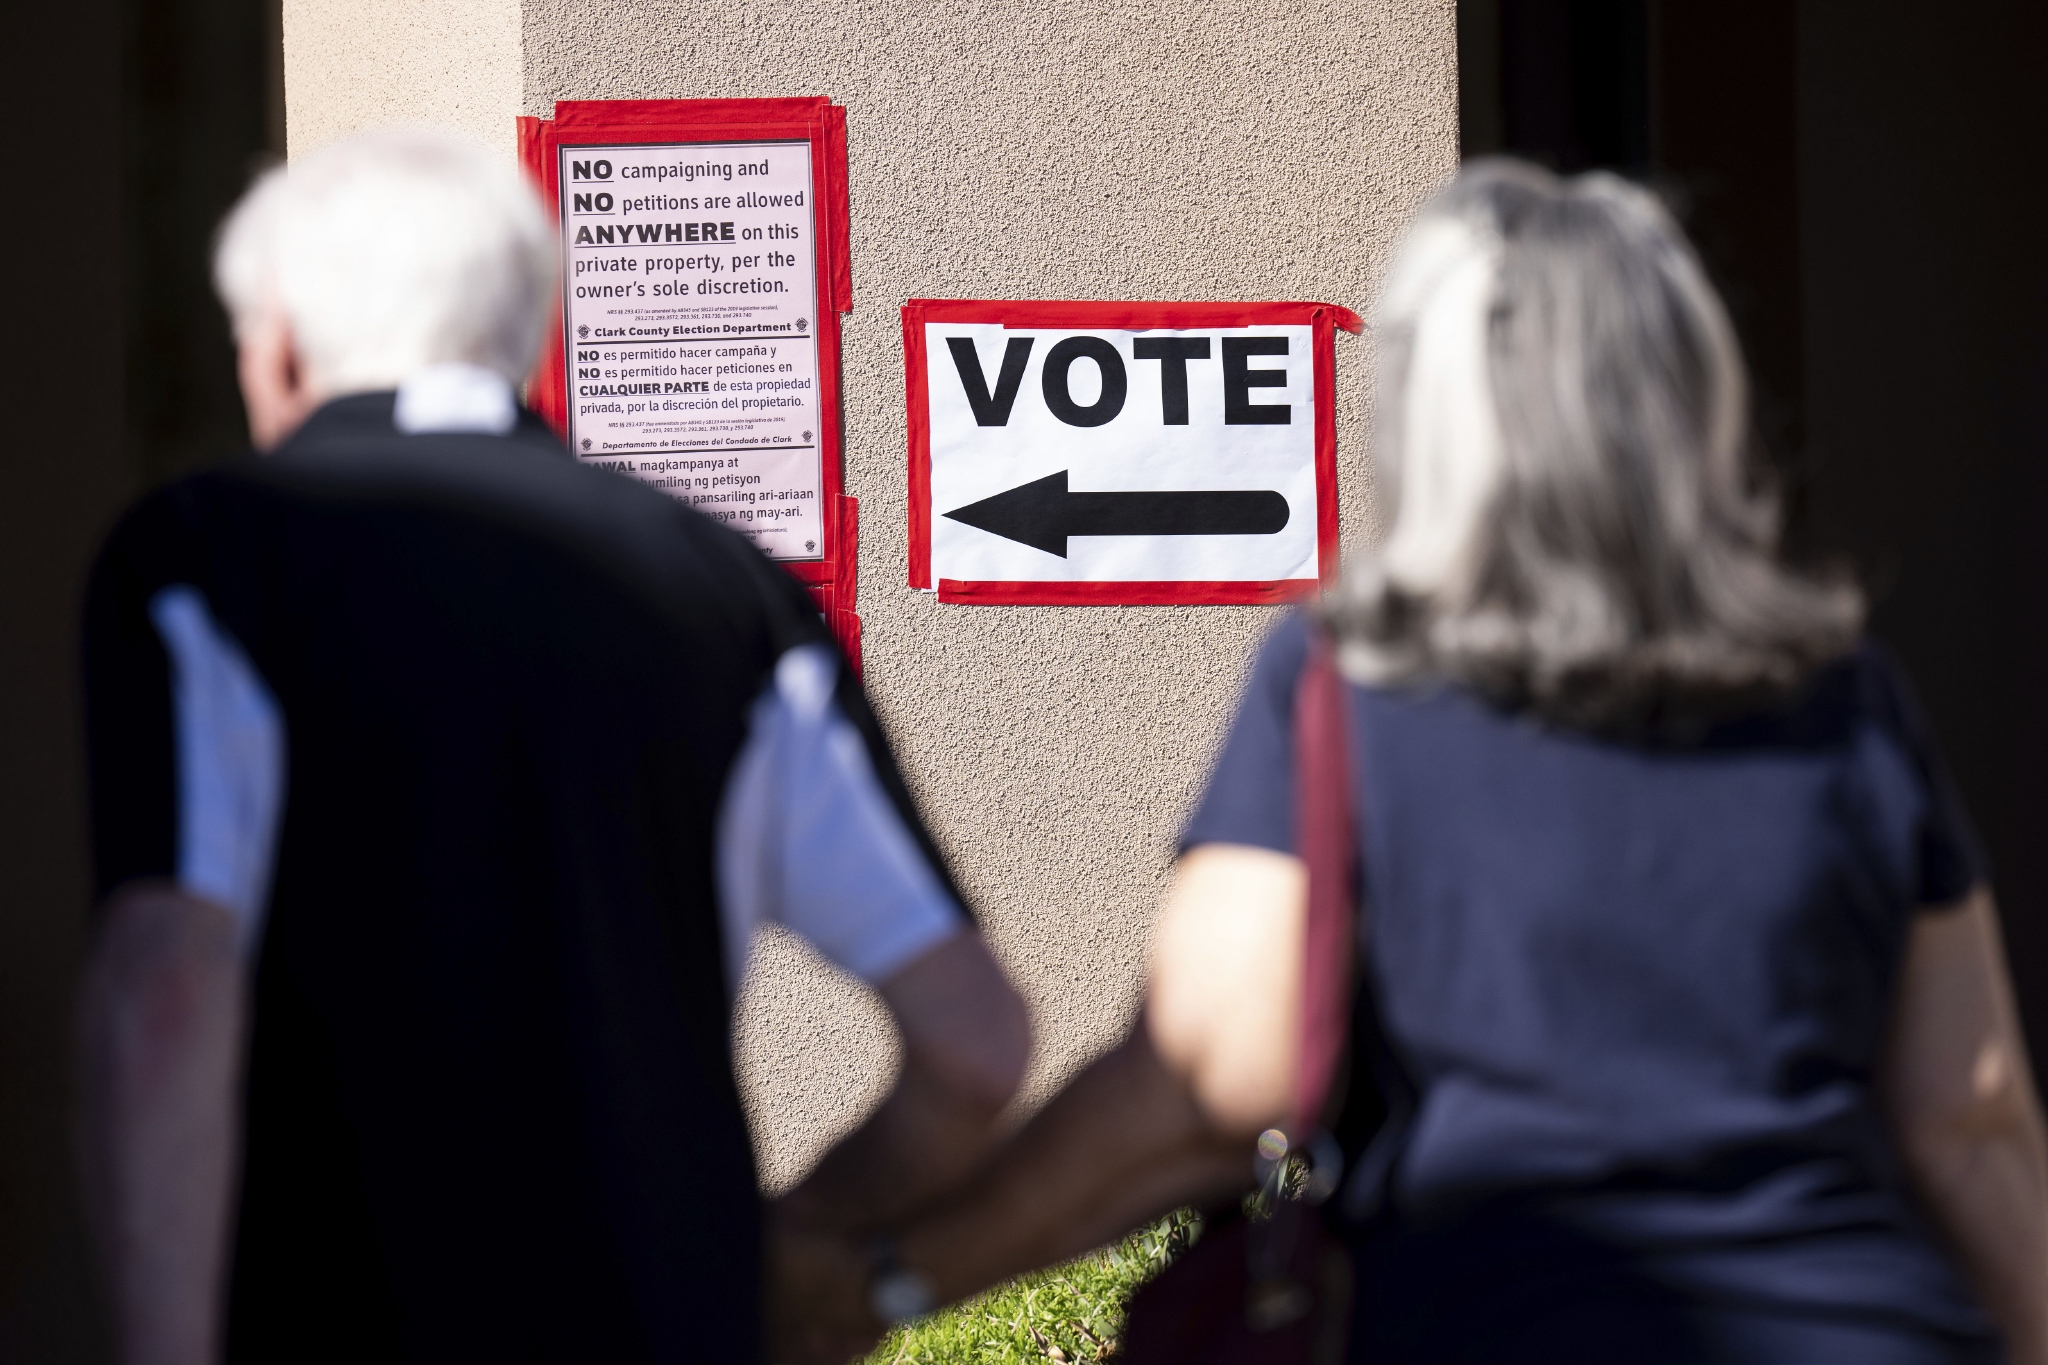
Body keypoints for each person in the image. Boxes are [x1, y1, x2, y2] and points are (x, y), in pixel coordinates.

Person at [799, 160, 2048, 1364]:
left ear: (1428, 412)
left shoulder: (1346, 686)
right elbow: (1968, 1118)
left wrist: (893, 1280)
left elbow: (1197, 1090)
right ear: (1687, 403)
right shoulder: (1842, 701)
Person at [76, 127, 1028, 1365]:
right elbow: (973, 1042)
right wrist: (780, 1248)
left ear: (282, 348)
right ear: (527, 333)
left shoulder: (206, 560)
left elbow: (166, 991)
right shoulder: (727, 589)